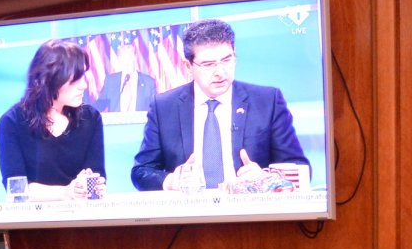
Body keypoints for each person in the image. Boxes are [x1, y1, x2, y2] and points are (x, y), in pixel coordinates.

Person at [130, 19, 309, 192]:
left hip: (250, 210)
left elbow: (300, 167)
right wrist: (171, 181)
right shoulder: (164, 107)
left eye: (226, 60)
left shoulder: (268, 101)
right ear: (188, 66)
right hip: (190, 210)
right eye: (208, 64)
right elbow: (141, 172)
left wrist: (267, 179)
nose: (220, 72)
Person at [0, 39, 107, 201]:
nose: (84, 85)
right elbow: (16, 191)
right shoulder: (12, 122)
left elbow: (96, 179)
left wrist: (92, 187)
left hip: (81, 215)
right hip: (33, 216)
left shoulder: (91, 119)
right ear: (51, 80)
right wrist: (66, 193)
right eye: (76, 79)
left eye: (83, 76)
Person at [91, 33, 156, 113]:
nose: (127, 63)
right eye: (124, 59)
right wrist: (85, 110)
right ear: (119, 61)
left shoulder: (148, 82)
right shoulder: (110, 81)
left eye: (130, 58)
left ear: (135, 59)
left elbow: (154, 108)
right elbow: (100, 105)